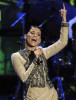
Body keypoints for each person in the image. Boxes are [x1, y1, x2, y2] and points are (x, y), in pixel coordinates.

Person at [11, 3, 69, 100]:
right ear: (25, 36)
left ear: (40, 40)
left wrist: (64, 20)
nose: (35, 36)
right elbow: (25, 78)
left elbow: (62, 42)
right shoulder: (16, 56)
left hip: (51, 96)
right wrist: (35, 59)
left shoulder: (43, 51)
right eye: (32, 33)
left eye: (38, 34)